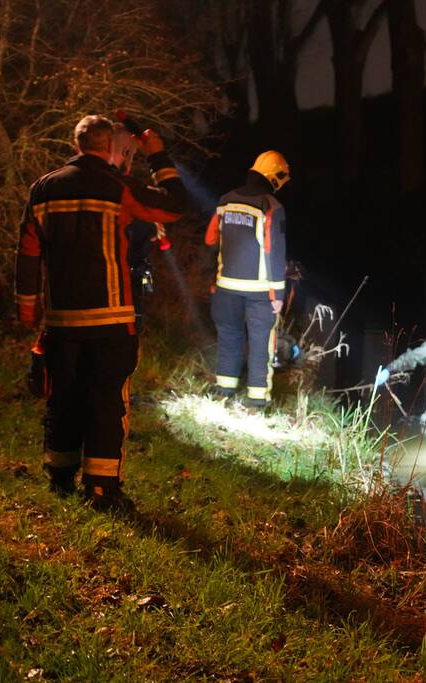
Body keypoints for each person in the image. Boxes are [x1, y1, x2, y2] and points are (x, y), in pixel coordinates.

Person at [15, 114, 186, 510]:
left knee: (64, 396)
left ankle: (59, 475)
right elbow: (175, 207)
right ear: (109, 147)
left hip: (61, 321)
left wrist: (29, 310)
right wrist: (158, 155)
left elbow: (27, 253)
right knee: (107, 400)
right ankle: (101, 488)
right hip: (111, 319)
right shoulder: (118, 188)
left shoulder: (42, 188)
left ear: (76, 145)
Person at [205, 151, 289, 409]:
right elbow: (274, 250)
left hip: (226, 286)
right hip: (261, 290)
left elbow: (210, 240)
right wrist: (278, 295)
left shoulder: (224, 201)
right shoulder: (271, 206)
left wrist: (214, 277)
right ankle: (256, 401)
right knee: (260, 344)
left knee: (229, 337)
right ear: (276, 177)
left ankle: (224, 391)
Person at [109, 122, 166, 332]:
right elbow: (176, 204)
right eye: (131, 153)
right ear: (125, 152)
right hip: (124, 285)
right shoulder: (128, 192)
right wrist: (158, 157)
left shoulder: (61, 185)